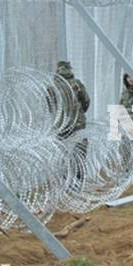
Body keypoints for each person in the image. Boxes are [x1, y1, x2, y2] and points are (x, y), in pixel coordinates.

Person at [49, 60, 90, 188]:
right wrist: (79, 113)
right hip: (77, 123)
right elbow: (86, 101)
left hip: (62, 125)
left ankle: (66, 180)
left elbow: (50, 105)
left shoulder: (53, 86)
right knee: (79, 152)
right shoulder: (76, 84)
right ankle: (78, 180)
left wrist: (59, 116)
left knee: (64, 152)